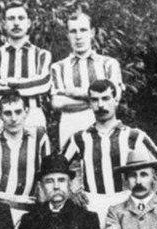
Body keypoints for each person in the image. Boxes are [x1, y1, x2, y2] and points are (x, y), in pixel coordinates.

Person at [62, 79, 157, 226]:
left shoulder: (134, 135)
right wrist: (71, 192)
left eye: (106, 98)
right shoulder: (79, 138)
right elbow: (56, 169)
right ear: (89, 103)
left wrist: (147, 195)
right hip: (92, 205)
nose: (100, 105)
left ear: (116, 100)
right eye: (95, 100)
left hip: (125, 204)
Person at [0, 91, 53, 229]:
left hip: (28, 209)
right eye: (8, 113)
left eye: (18, 112)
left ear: (26, 112)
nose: (14, 118)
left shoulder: (39, 137)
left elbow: (48, 175)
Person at [50, 11, 123, 146]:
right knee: (72, 165)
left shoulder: (108, 64)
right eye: (73, 31)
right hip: (70, 125)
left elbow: (114, 98)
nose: (78, 36)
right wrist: (97, 100)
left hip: (105, 126)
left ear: (92, 32)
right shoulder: (58, 67)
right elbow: (57, 103)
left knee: (106, 163)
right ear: (67, 35)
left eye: (83, 30)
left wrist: (74, 93)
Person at [0, 1, 51, 133]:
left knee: (35, 152)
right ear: (4, 24)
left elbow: (43, 84)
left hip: (33, 115)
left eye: (21, 18)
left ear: (29, 23)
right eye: (11, 18)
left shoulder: (41, 55)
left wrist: (8, 82)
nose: (16, 23)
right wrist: (29, 84)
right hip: (1, 115)